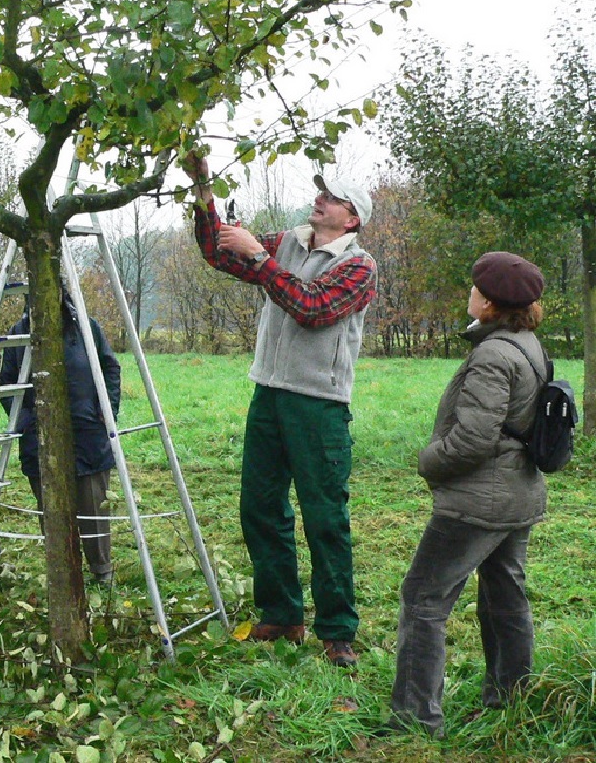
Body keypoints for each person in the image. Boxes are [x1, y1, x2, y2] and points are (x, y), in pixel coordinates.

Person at [185, 154, 377, 668]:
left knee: (324, 517)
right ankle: (282, 613)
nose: (319, 200)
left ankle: (337, 630)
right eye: (319, 192)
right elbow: (218, 252)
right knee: (261, 508)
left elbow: (313, 308)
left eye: (331, 197)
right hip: (268, 395)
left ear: (351, 217)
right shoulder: (290, 242)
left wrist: (260, 258)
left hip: (319, 405)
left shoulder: (358, 266)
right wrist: (205, 192)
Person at [390, 252, 548, 735]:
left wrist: (429, 460)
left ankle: (417, 719)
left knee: (423, 601)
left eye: (474, 288)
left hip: (478, 503)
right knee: (505, 597)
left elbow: (474, 439)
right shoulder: (527, 344)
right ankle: (510, 701)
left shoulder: (492, 355)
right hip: (518, 495)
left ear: (489, 302)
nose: (470, 293)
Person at [0, 292, 121, 583]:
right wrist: (27, 421)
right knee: (51, 508)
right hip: (38, 437)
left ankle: (101, 570)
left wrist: (107, 410)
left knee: (93, 506)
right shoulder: (19, 334)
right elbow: (8, 382)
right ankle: (64, 571)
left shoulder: (86, 327)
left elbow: (110, 367)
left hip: (87, 433)